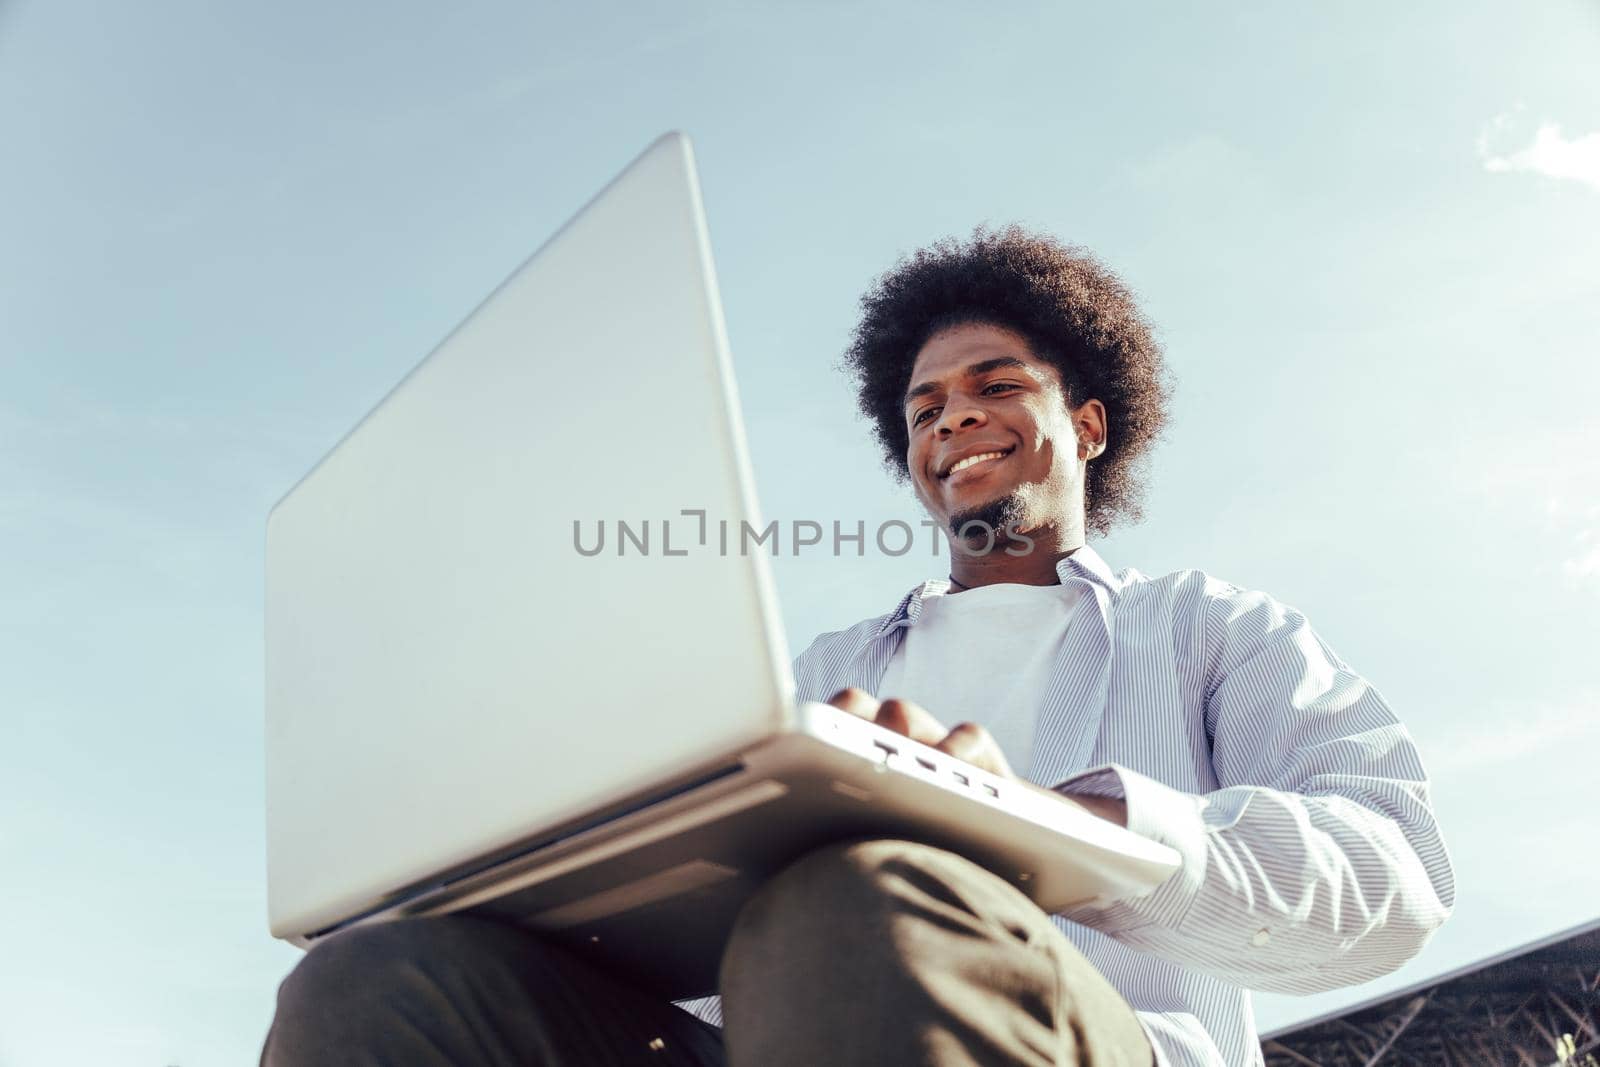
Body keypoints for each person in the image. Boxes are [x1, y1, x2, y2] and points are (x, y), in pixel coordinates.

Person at [262, 227, 1455, 1066]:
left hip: (1092, 1038)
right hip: (780, 1030)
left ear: (1086, 425)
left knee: (858, 904)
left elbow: (1398, 872)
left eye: (995, 385)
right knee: (375, 982)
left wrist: (1062, 824)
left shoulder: (1208, 629)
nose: (953, 419)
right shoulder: (823, 671)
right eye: (924, 409)